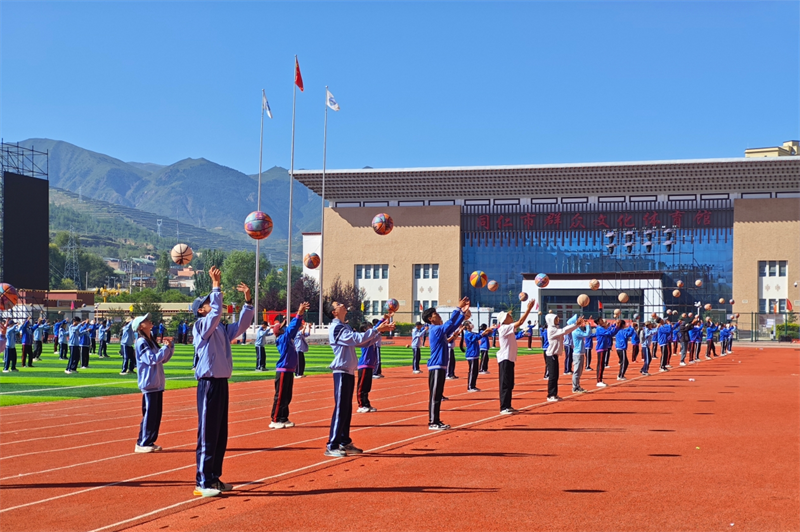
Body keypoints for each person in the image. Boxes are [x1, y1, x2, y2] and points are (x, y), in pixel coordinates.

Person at [191, 266, 253, 497]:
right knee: (207, 433)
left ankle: (214, 477)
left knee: (219, 433)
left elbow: (243, 326)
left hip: (221, 383)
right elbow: (215, 313)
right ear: (200, 310)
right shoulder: (201, 326)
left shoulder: (220, 330)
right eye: (208, 302)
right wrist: (215, 287)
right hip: (208, 384)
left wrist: (248, 302)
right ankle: (202, 482)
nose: (213, 303)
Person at [325, 300, 394, 456]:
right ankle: (332, 444)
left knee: (347, 409)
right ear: (334, 312)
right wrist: (377, 329)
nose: (342, 305)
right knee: (341, 408)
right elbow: (356, 339)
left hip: (348, 371)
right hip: (341, 371)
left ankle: (344, 442)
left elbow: (362, 343)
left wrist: (380, 328)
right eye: (338, 305)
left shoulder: (344, 326)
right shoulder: (336, 328)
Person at [422, 297, 469, 428]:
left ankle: (436, 420)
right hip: (436, 366)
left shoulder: (439, 330)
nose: (439, 316)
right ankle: (432, 422)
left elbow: (452, 326)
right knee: (435, 396)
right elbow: (449, 324)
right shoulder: (435, 329)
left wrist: (463, 315)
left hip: (440, 366)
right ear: (431, 319)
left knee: (438, 395)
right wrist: (458, 309)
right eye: (436, 314)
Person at [133, 313, 174, 453]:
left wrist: (169, 348)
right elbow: (151, 359)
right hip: (149, 383)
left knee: (156, 415)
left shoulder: (151, 341)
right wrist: (164, 349)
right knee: (150, 414)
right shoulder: (141, 342)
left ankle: (150, 440)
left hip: (156, 383)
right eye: (145, 320)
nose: (149, 321)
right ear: (140, 326)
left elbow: (162, 359)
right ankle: (142, 442)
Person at [269, 302, 309, 429]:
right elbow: (292, 327)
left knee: (287, 395)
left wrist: (298, 316)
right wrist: (299, 313)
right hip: (283, 370)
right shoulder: (283, 338)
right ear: (279, 331)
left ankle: (283, 417)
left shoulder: (286, 337)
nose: (284, 327)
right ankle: (275, 419)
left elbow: (291, 328)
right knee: (280, 395)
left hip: (289, 370)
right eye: (282, 327)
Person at [495, 299, 536, 413]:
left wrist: (508, 314)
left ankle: (508, 405)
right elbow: (521, 321)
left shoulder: (507, 327)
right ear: (504, 320)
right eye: (508, 316)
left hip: (510, 358)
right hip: (505, 358)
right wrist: (528, 309)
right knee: (505, 383)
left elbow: (516, 324)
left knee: (510, 383)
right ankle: (504, 407)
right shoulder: (503, 328)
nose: (510, 316)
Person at [544, 312, 579, 401]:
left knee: (555, 376)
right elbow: (564, 331)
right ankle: (550, 395)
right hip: (551, 355)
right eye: (555, 318)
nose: (558, 320)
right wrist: (576, 324)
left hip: (554, 355)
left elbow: (564, 330)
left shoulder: (555, 328)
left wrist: (576, 325)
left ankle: (554, 394)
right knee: (552, 376)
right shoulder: (551, 329)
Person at [357, 318, 388, 413]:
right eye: (369, 327)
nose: (372, 328)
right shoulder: (364, 337)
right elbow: (375, 329)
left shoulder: (371, 338)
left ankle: (366, 404)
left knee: (367, 387)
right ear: (365, 329)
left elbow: (377, 335)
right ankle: (361, 405)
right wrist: (382, 320)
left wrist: (383, 329)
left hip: (370, 365)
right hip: (364, 365)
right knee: (361, 387)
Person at [462, 321, 491, 392]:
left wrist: (486, 331)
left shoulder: (471, 333)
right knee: (472, 371)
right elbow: (476, 337)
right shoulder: (467, 334)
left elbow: (478, 335)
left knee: (475, 371)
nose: (471, 324)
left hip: (475, 354)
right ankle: (470, 386)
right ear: (467, 326)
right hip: (471, 354)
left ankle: (473, 385)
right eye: (469, 323)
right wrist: (485, 331)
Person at [568, 314, 591, 393]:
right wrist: (588, 325)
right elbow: (587, 334)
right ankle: (575, 387)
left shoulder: (578, 329)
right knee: (577, 371)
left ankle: (577, 386)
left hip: (580, 352)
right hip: (577, 353)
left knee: (579, 371)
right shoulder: (576, 331)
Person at [593, 318, 618, 387]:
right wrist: (617, 327)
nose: (603, 321)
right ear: (598, 322)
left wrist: (614, 326)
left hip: (603, 347)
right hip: (601, 348)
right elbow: (610, 333)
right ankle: (599, 381)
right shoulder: (599, 328)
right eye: (601, 320)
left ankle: (600, 380)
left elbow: (608, 330)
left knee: (601, 365)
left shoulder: (601, 328)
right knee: (600, 365)